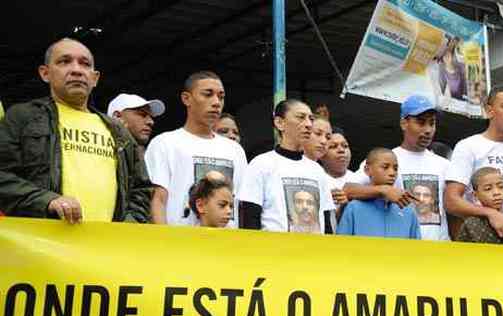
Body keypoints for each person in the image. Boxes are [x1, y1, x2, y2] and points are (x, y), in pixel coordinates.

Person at [0, 38, 151, 223]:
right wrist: (47, 201)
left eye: (84, 64)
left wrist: (129, 223)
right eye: (64, 61)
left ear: (95, 78)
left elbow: (141, 189)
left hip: (107, 247)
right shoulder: (23, 118)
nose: (76, 70)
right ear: (45, 73)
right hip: (44, 245)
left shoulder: (119, 131)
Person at [144, 71, 247, 226]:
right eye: (208, 94)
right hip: (181, 244)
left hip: (227, 246)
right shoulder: (164, 143)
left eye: (221, 96)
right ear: (186, 99)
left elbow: (241, 203)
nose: (216, 102)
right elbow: (157, 200)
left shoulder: (235, 150)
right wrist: (163, 244)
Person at [344, 94, 453, 241]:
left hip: (438, 252)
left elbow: (454, 212)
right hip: (401, 252)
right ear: (403, 124)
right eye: (421, 122)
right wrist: (383, 190)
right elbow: (348, 189)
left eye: (432, 123)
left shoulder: (444, 165)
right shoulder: (387, 160)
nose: (428, 130)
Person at [445, 83, 503, 239]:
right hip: (484, 237)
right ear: (489, 111)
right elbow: (451, 201)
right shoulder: (469, 146)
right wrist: (490, 213)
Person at [238, 99, 335, 233]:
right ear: (279, 123)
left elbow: (326, 220)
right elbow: (250, 216)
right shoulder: (261, 164)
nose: (308, 124)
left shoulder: (317, 170)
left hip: (313, 251)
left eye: (310, 119)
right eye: (301, 117)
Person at [337, 148, 421, 239]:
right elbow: (341, 246)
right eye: (385, 167)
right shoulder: (354, 208)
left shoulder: (408, 211)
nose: (392, 173)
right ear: (367, 170)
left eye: (395, 169)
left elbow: (417, 248)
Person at [456, 167, 503, 245]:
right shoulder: (471, 225)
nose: (496, 192)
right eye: (488, 189)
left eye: (501, 187)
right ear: (475, 195)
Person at [429, 34, 466, 108]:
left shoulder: (461, 66)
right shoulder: (434, 61)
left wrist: (450, 67)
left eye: (448, 39)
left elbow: (456, 92)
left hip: (449, 109)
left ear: (454, 42)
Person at [321, 127, 354, 207]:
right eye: (333, 146)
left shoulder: (359, 180)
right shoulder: (316, 179)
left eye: (345, 146)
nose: (341, 150)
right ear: (321, 154)